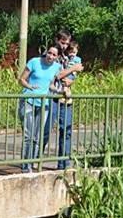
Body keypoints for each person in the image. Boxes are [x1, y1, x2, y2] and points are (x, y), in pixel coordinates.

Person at [18, 45, 70, 173]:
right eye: (49, 53)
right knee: (28, 135)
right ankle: (26, 166)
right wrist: (30, 87)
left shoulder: (56, 67)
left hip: (44, 103)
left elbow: (51, 85)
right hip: (29, 100)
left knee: (37, 136)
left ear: (57, 57)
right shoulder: (34, 62)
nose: (50, 56)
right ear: (46, 53)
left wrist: (60, 91)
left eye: (54, 55)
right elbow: (21, 79)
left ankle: (32, 162)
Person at [54, 40, 82, 170]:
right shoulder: (55, 57)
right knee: (45, 132)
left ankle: (64, 164)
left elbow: (73, 75)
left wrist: (71, 79)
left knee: (66, 131)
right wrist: (73, 69)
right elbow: (58, 75)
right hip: (54, 97)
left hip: (66, 98)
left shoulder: (73, 60)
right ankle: (32, 162)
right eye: (64, 44)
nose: (65, 47)